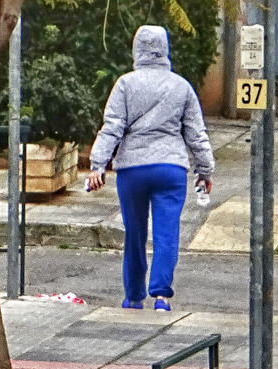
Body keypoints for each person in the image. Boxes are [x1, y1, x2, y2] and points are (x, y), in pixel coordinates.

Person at [88, 25, 215, 313]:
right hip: (170, 168)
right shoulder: (181, 86)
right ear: (166, 49)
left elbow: (112, 128)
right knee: (166, 234)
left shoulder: (124, 84)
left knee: (134, 233)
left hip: (132, 169)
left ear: (136, 50)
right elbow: (196, 133)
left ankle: (133, 297)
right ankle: (161, 296)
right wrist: (205, 170)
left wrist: (98, 165)